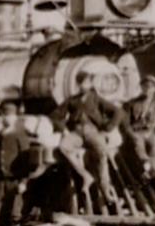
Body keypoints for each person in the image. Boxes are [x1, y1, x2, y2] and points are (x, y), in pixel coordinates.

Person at [50, 70, 125, 203]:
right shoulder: (72, 100)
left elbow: (118, 112)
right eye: (84, 82)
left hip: (93, 131)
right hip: (77, 132)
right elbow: (55, 115)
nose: (87, 85)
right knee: (63, 147)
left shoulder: (97, 99)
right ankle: (85, 175)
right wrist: (63, 130)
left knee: (102, 153)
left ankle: (106, 189)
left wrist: (108, 128)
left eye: (89, 82)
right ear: (78, 84)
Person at [0, 100, 31, 226]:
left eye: (10, 116)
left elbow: (26, 161)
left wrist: (23, 181)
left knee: (15, 213)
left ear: (15, 117)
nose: (7, 119)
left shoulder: (20, 136)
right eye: (4, 115)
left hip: (14, 181)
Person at [123, 75, 155, 175]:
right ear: (141, 87)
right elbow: (126, 124)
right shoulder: (131, 103)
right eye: (145, 86)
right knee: (139, 145)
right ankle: (146, 163)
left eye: (151, 87)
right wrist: (132, 135)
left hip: (151, 132)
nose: (148, 89)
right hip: (137, 132)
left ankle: (153, 170)